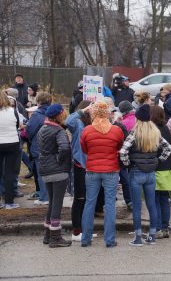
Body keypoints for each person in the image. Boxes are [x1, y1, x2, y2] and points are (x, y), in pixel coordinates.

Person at [120, 104, 171, 246]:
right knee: (152, 205)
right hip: (151, 173)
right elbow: (168, 148)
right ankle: (152, 236)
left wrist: (127, 164)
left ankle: (138, 238)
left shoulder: (134, 132)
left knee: (137, 206)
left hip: (136, 172)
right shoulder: (155, 132)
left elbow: (123, 151)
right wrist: (158, 160)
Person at [80, 101, 124, 247]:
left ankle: (85, 239)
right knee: (110, 203)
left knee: (90, 203)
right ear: (107, 113)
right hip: (111, 169)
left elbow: (85, 149)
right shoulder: (116, 130)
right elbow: (119, 147)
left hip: (92, 169)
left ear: (93, 113)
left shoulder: (86, 130)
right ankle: (109, 240)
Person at [37, 104, 72, 247]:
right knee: (57, 204)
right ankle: (55, 238)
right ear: (59, 115)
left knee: (52, 202)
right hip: (58, 171)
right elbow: (64, 148)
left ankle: (47, 235)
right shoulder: (59, 131)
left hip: (45, 170)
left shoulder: (42, 129)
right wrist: (59, 160)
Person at [65, 100, 98, 242]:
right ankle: (76, 231)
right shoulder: (77, 122)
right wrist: (82, 111)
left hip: (91, 165)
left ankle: (85, 229)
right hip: (79, 165)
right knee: (79, 199)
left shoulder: (91, 123)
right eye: (91, 108)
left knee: (87, 199)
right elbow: (67, 121)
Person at [150, 106, 171, 239]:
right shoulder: (166, 128)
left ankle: (157, 228)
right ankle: (165, 227)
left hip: (157, 169)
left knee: (155, 200)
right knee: (164, 200)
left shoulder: (153, 129)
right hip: (168, 169)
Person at [26, 92, 53, 205]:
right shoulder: (54, 112)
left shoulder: (37, 114)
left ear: (38, 101)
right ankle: (51, 196)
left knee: (42, 174)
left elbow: (29, 130)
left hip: (39, 147)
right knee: (51, 173)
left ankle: (44, 197)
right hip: (52, 146)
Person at [0, 90, 21, 210]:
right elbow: (17, 125)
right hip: (12, 143)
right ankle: (9, 202)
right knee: (9, 173)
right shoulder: (13, 110)